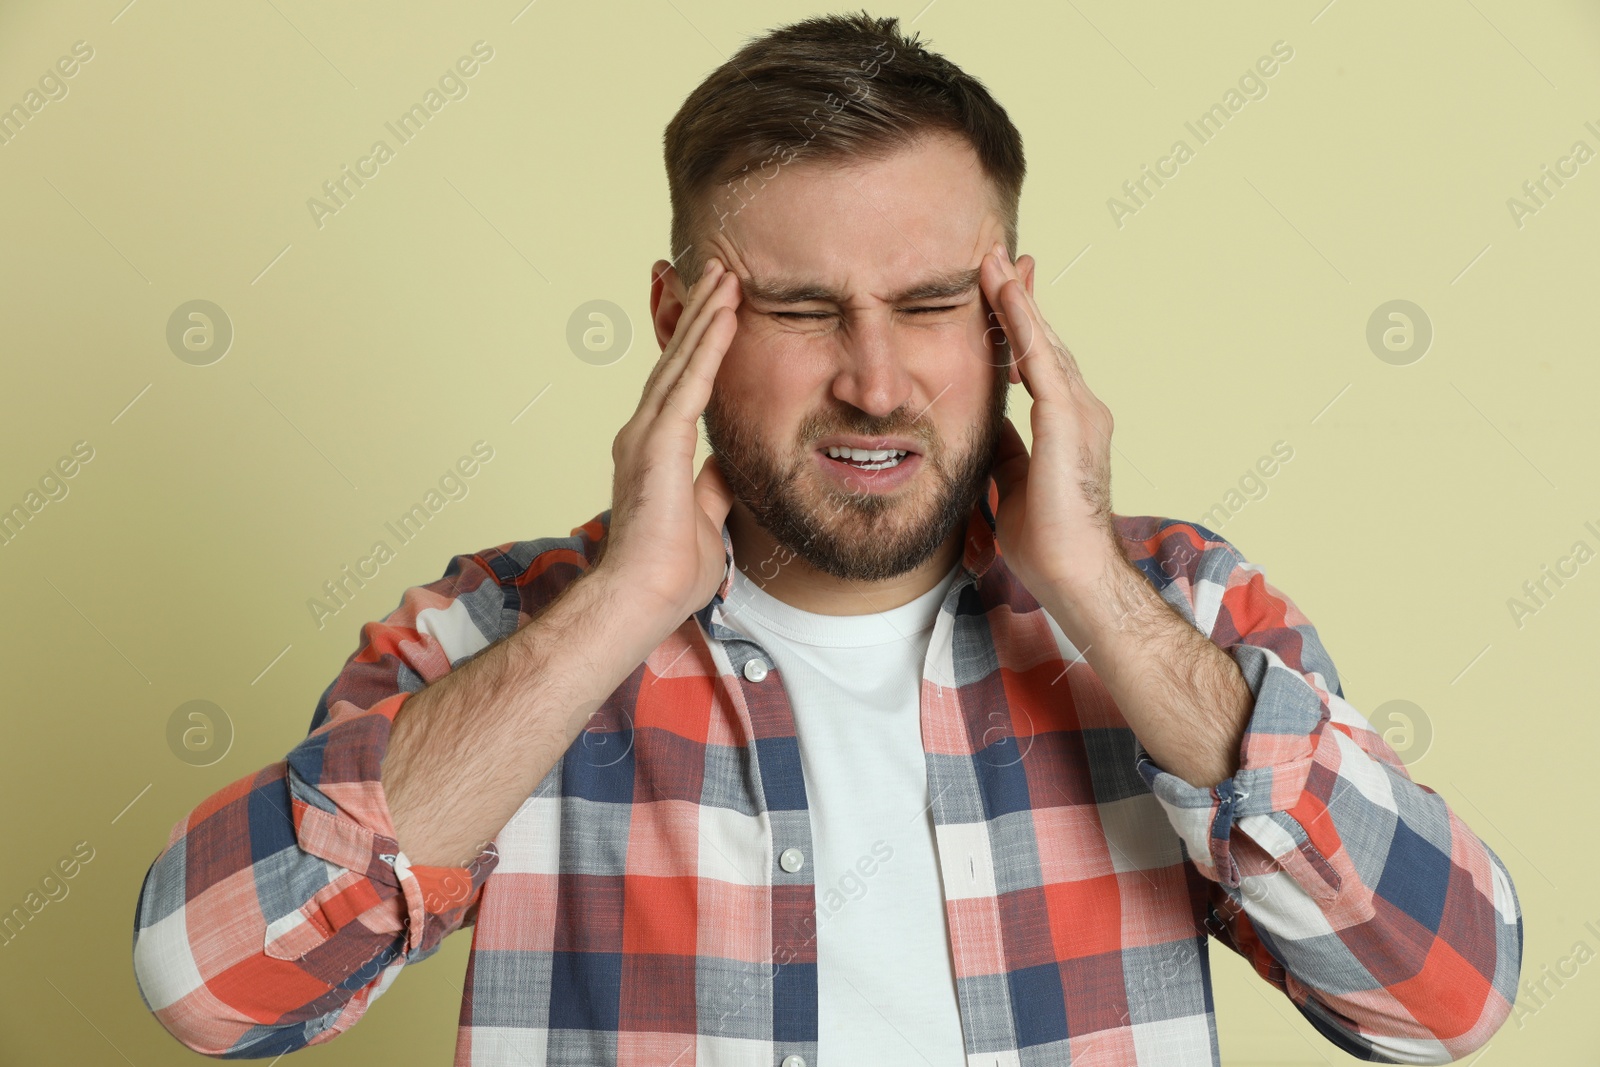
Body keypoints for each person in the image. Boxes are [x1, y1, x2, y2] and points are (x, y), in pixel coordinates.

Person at [132, 12, 1522, 1065]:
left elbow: (1445, 997)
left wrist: (1090, 581)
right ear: (680, 323)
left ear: (1012, 317)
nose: (874, 379)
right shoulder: (497, 631)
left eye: (928, 302)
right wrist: (625, 602)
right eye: (800, 311)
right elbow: (212, 984)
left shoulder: (1181, 610)